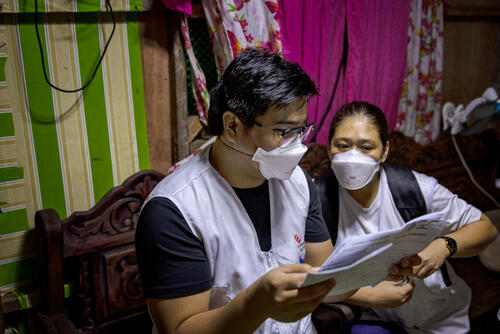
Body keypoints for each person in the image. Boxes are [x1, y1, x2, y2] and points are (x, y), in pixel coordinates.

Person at [135, 48, 341, 334]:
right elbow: (180, 329)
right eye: (283, 132)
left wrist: (379, 268)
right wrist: (257, 303)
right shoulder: (175, 211)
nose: (297, 146)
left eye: (301, 130)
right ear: (233, 125)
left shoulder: (298, 183)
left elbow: (326, 270)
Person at [322, 101, 498, 334]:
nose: (353, 157)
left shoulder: (416, 188)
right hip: (376, 317)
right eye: (343, 146)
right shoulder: (318, 199)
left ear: (384, 151)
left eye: (366, 147)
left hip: (439, 314)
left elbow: (485, 228)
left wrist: (444, 246)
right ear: (329, 149)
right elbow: (317, 279)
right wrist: (372, 297)